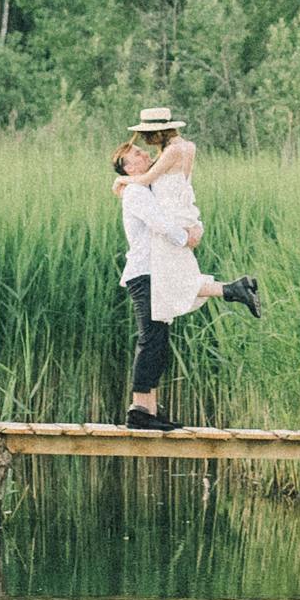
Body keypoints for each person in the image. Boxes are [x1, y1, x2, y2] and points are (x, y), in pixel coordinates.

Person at [115, 110, 262, 424]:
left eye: (141, 147)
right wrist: (186, 238)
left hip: (156, 268)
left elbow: (174, 201)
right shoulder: (136, 192)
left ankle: (149, 410)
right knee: (150, 340)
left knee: (159, 341)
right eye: (134, 155)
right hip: (144, 273)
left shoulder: (149, 183)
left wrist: (191, 230)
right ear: (128, 168)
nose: (141, 151)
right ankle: (140, 410)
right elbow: (160, 224)